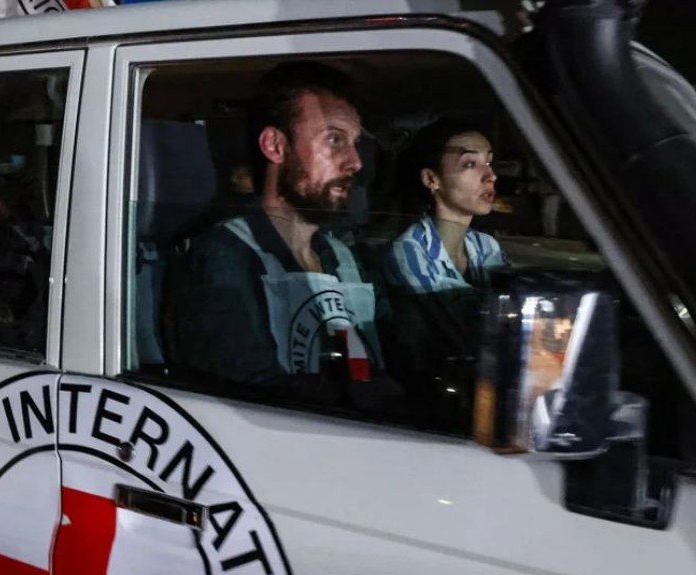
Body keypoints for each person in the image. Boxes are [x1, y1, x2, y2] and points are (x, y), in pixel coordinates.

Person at [172, 61, 392, 403]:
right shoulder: (226, 257)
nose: (356, 162)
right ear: (275, 146)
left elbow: (390, 361)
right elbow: (244, 398)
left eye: (354, 142)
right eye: (334, 139)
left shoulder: (344, 256)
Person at [383, 119, 506, 293]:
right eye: (470, 164)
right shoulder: (410, 251)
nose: (491, 176)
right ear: (431, 179)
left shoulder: (487, 246)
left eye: (489, 163)